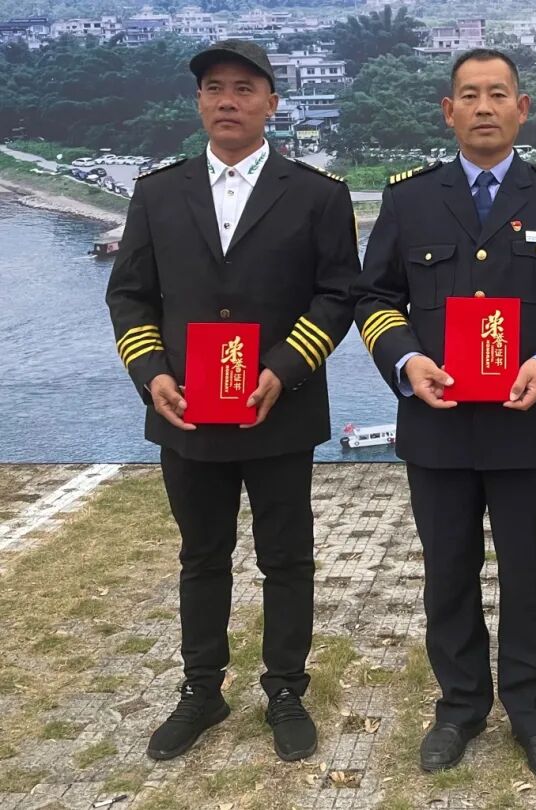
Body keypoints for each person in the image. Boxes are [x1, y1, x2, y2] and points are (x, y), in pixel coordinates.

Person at [355, 48, 536, 783]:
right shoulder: (410, 198)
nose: (483, 107)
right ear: (449, 111)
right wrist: (407, 361)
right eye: (469, 95)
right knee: (448, 573)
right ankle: (459, 708)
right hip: (438, 424)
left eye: (498, 94)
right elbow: (374, 296)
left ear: (521, 108)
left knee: (534, 577)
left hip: (532, 423)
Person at [105, 39, 361, 763]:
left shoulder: (317, 194)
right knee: (202, 556)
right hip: (186, 410)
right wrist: (151, 372)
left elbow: (338, 293)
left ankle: (285, 690)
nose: (228, 100)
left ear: (271, 103)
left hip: (278, 409)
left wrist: (286, 366)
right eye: (214, 87)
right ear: (198, 102)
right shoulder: (158, 192)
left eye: (245, 89)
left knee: (287, 558)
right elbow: (130, 295)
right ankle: (201, 690)